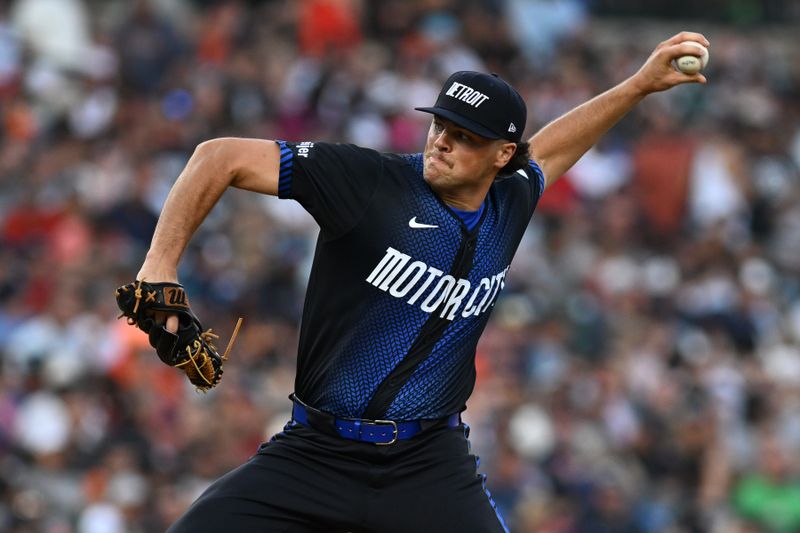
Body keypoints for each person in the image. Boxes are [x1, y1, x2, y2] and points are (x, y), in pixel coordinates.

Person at [134, 32, 709, 533]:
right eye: (441, 125)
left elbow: (558, 144)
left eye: (465, 137)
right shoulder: (369, 183)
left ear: (503, 154)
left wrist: (637, 86)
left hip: (428, 463)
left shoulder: (512, 200)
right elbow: (218, 157)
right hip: (316, 452)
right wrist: (160, 264)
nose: (442, 141)